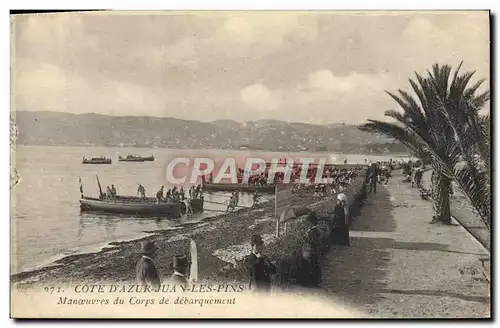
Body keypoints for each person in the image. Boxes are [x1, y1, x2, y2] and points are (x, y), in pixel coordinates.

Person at [301, 212, 322, 287]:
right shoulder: (315, 230)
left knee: (310, 266)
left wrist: (305, 238)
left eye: (308, 222)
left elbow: (312, 242)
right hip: (313, 251)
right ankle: (314, 281)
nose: (307, 224)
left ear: (311, 223)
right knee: (314, 266)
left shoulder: (313, 231)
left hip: (310, 251)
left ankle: (310, 282)